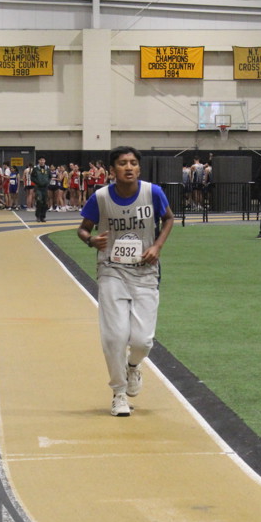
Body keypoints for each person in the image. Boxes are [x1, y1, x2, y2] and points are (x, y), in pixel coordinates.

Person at [77, 146, 175, 417]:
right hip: (112, 270)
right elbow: (83, 228)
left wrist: (157, 246)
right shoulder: (100, 197)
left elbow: (168, 219)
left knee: (143, 341)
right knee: (115, 336)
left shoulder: (152, 192)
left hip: (145, 271)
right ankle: (118, 393)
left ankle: (133, 366)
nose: (128, 167)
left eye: (133, 163)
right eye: (122, 163)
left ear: (139, 168)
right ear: (112, 170)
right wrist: (90, 240)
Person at [31, 156, 51, 222]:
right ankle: (38, 216)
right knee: (39, 201)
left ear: (45, 161)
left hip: (45, 188)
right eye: (41, 160)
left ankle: (43, 217)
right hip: (38, 187)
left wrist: (47, 182)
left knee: (45, 202)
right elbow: (32, 177)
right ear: (39, 161)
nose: (42, 161)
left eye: (43, 160)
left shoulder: (47, 169)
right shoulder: (36, 169)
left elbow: (50, 177)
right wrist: (37, 182)